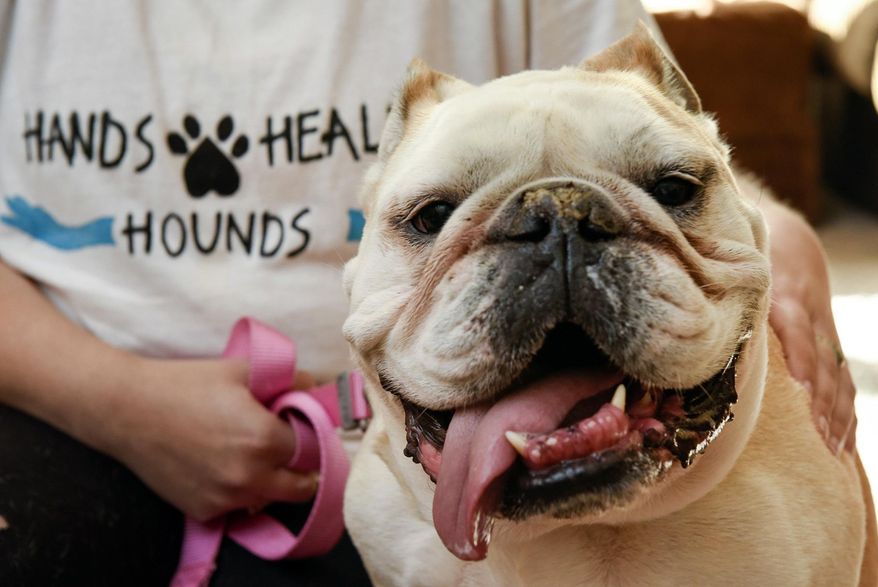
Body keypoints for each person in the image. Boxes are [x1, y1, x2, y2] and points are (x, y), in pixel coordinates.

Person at [0, 1, 856, 584]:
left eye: (668, 191)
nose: (554, 242)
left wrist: (779, 231)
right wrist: (114, 402)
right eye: (434, 213)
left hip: (346, 445)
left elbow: (674, 132)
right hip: (62, 397)